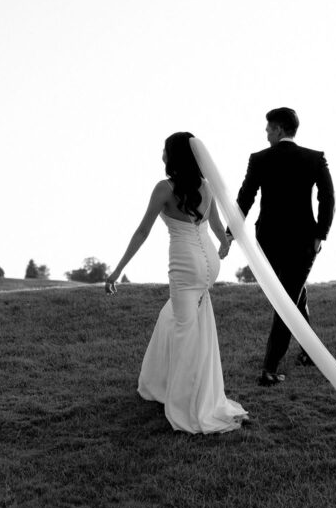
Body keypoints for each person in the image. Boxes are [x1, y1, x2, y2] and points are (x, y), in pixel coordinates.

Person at [105, 132, 248, 433]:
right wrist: (224, 246)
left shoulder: (164, 188)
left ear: (174, 156)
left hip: (185, 267)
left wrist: (117, 270)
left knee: (186, 335)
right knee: (174, 319)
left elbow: (142, 232)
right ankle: (163, 384)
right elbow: (219, 229)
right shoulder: (206, 186)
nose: (161, 155)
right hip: (209, 264)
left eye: (164, 150)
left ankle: (188, 409)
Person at [233, 107, 335, 387]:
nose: (266, 134)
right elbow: (328, 198)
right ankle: (307, 354)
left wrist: (232, 231)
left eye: (268, 129)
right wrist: (320, 234)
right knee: (291, 295)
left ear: (278, 129)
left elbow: (246, 197)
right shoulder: (314, 159)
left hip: (268, 240)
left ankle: (270, 367)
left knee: (288, 296)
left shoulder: (260, 159)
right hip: (304, 241)